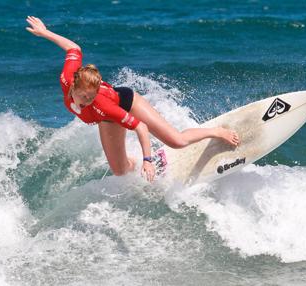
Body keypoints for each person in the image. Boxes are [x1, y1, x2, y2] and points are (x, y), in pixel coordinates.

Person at [26, 16, 239, 182]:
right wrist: (45, 33)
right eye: (84, 96)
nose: (87, 100)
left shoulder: (100, 104)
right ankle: (149, 162)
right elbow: (74, 48)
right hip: (106, 119)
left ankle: (216, 132)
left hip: (125, 101)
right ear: (74, 86)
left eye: (91, 96)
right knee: (120, 171)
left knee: (177, 141)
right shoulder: (67, 77)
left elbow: (140, 127)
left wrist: (148, 160)